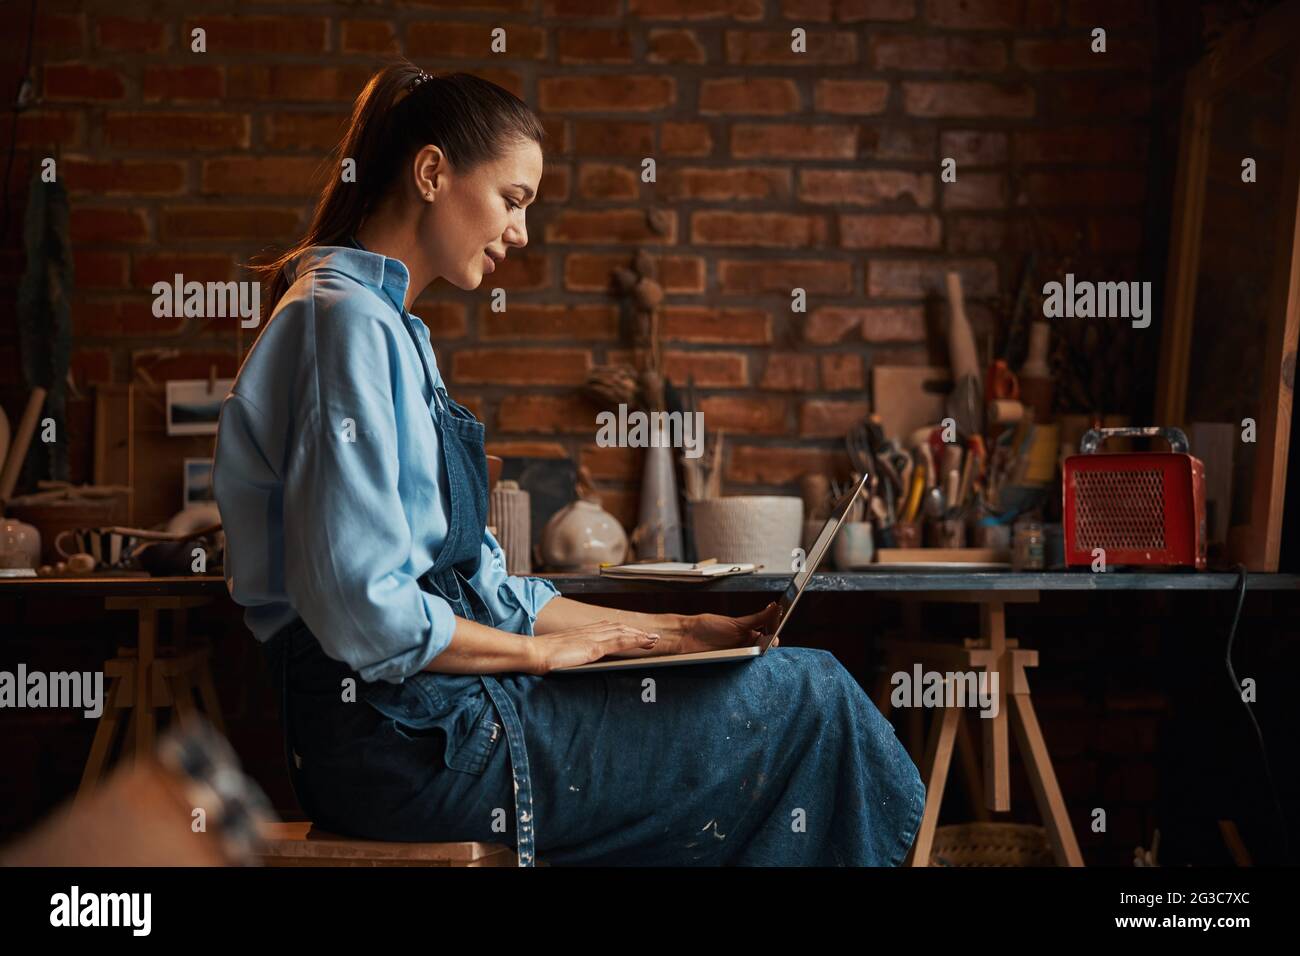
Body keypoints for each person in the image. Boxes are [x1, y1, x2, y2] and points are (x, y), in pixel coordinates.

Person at [212, 61, 924, 866]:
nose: (521, 231)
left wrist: (674, 632)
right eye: (512, 201)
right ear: (432, 172)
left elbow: (485, 591)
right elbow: (363, 611)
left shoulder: (390, 328)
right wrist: (542, 657)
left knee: (777, 690)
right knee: (813, 699)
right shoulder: (342, 325)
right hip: (403, 744)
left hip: (430, 722)